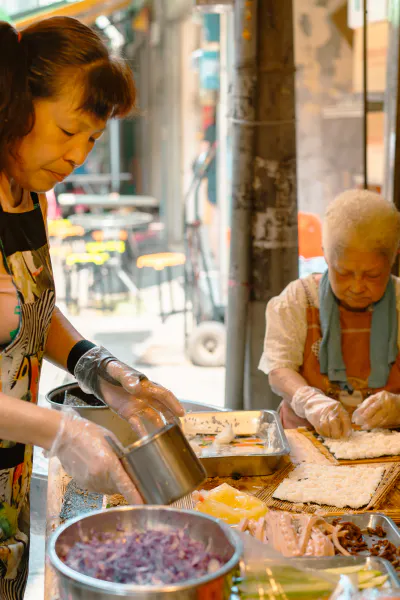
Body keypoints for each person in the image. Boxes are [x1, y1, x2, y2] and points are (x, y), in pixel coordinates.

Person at [0, 17, 183, 598]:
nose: (77, 154)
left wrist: (102, 371)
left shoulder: (26, 198)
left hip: (9, 481)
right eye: (68, 130)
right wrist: (61, 434)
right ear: (15, 107)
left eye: (93, 140)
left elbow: (29, 312)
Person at [259, 189, 400, 440]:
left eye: (372, 275)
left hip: (387, 445)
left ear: (393, 259)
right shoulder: (298, 299)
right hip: (304, 439)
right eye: (343, 273)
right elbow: (278, 369)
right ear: (325, 255)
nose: (357, 287)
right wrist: (309, 400)